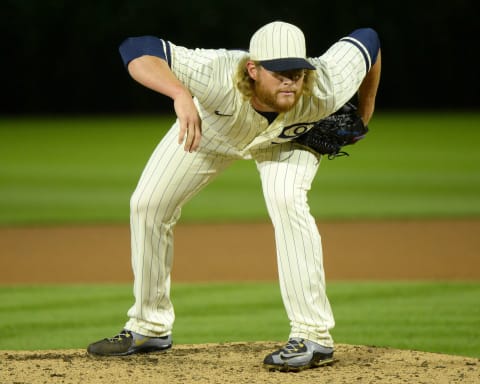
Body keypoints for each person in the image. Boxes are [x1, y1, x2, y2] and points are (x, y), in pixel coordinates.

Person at [87, 21, 381, 372]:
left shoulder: (326, 85)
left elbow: (369, 40)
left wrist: (366, 108)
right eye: (279, 71)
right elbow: (136, 47)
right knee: (148, 204)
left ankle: (313, 335)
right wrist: (180, 94)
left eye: (297, 71)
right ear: (253, 69)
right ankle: (149, 328)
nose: (290, 79)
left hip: (287, 142)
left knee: (287, 200)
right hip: (213, 130)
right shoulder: (217, 72)